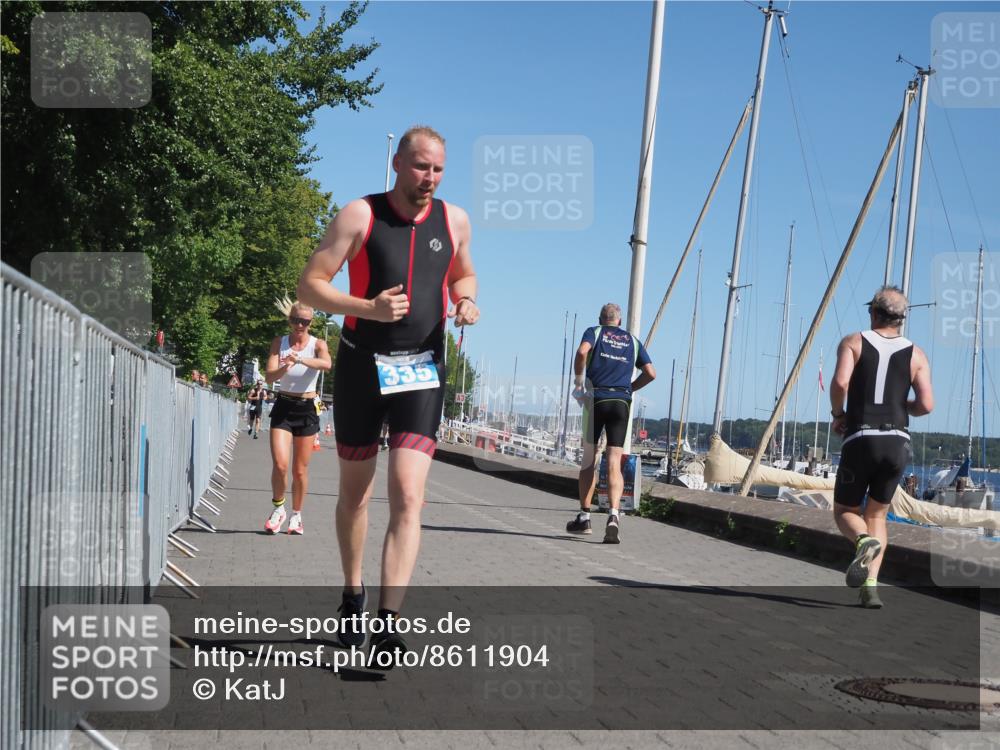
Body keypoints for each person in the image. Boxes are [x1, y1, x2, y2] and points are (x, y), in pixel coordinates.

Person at [298, 125, 478, 666]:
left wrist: (467, 302)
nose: (430, 178)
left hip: (421, 370)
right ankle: (353, 594)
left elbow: (464, 276)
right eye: (421, 166)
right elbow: (311, 284)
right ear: (398, 163)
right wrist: (367, 307)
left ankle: (388, 626)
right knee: (354, 495)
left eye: (439, 169)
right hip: (360, 364)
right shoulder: (361, 214)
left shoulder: (455, 220)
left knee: (408, 493)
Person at [830, 286, 933, 609]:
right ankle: (870, 588)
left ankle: (863, 542)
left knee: (846, 511)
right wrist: (905, 408)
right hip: (898, 443)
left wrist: (838, 414)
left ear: (873, 312)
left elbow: (840, 383)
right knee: (877, 514)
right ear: (901, 319)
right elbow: (927, 405)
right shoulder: (917, 354)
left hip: (862, 438)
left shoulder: (853, 342)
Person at [566, 303, 655, 544]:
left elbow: (582, 352)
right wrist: (630, 389)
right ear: (620, 321)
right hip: (621, 402)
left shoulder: (594, 332)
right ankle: (614, 516)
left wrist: (578, 383)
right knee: (614, 460)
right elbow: (651, 372)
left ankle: (584, 517)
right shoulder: (632, 341)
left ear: (600, 318)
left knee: (589, 459)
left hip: (597, 399)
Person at [263, 301, 332, 536]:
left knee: (299, 471)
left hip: (307, 408)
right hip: (283, 406)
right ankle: (278, 508)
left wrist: (300, 360)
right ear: (289, 319)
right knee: (280, 465)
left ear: (311, 323)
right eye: (296, 320)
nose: (300, 325)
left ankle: (297, 515)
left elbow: (327, 364)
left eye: (305, 321)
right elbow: (269, 376)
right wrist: (285, 366)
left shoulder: (317, 344)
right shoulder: (279, 343)